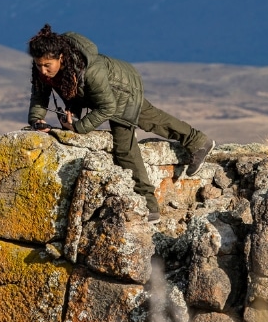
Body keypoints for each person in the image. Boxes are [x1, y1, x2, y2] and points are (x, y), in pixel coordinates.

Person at [27, 24, 215, 222]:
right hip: (101, 95)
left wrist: (79, 127)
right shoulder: (45, 68)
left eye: (48, 65)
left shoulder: (91, 71)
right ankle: (198, 141)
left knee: (126, 146)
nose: (43, 70)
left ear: (61, 58)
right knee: (152, 118)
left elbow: (107, 107)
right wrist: (37, 119)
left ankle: (148, 205)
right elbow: (40, 94)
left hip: (121, 90)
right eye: (39, 65)